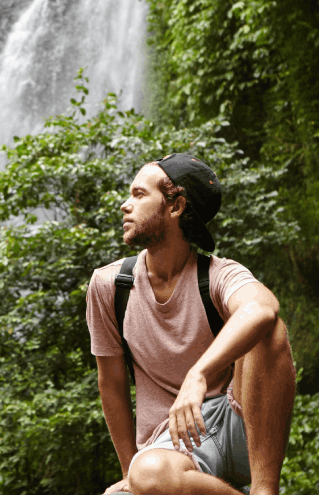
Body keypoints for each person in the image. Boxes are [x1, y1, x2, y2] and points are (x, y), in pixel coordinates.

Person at [85, 154, 296, 495]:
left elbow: (263, 307)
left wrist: (198, 375)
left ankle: (264, 489)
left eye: (139, 195)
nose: (125, 205)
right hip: (171, 444)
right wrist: (131, 475)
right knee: (142, 479)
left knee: (268, 330)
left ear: (176, 206)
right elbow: (111, 383)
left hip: (242, 423)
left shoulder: (216, 275)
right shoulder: (110, 286)